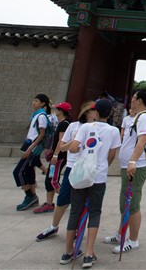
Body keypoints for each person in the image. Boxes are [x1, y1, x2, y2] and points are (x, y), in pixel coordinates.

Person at [61, 99, 121, 268]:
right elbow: (111, 155)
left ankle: (68, 251)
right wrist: (103, 166)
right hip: (98, 176)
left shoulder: (85, 127)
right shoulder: (114, 131)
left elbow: (73, 148)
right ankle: (88, 253)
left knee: (75, 211)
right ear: (110, 113)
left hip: (81, 175)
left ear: (95, 112)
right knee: (95, 212)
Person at [36, 101, 95, 242]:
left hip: (88, 169)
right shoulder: (73, 126)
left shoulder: (98, 128)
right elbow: (62, 146)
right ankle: (53, 226)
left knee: (80, 202)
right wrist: (74, 141)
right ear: (87, 112)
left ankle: (76, 229)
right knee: (63, 198)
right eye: (93, 110)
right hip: (72, 167)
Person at [104, 89, 146, 254]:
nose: (131, 100)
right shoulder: (137, 117)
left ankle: (133, 240)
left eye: (134, 97)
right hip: (129, 165)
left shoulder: (144, 117)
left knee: (132, 204)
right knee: (124, 202)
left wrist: (132, 160)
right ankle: (120, 233)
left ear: (140, 101)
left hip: (136, 166)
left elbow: (143, 140)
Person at [13, 94, 51, 212]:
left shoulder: (41, 116)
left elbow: (41, 135)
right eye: (34, 100)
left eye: (37, 101)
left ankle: (29, 196)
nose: (34, 102)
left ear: (43, 103)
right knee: (29, 171)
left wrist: (29, 149)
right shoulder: (36, 115)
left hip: (33, 148)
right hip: (30, 146)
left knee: (18, 171)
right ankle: (32, 197)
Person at [34, 101, 72, 214]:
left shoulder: (64, 124)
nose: (55, 111)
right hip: (57, 156)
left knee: (53, 181)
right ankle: (49, 203)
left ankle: (68, 199)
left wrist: (55, 154)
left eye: (57, 109)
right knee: (49, 180)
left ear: (62, 111)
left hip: (59, 157)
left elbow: (62, 140)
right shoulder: (61, 123)